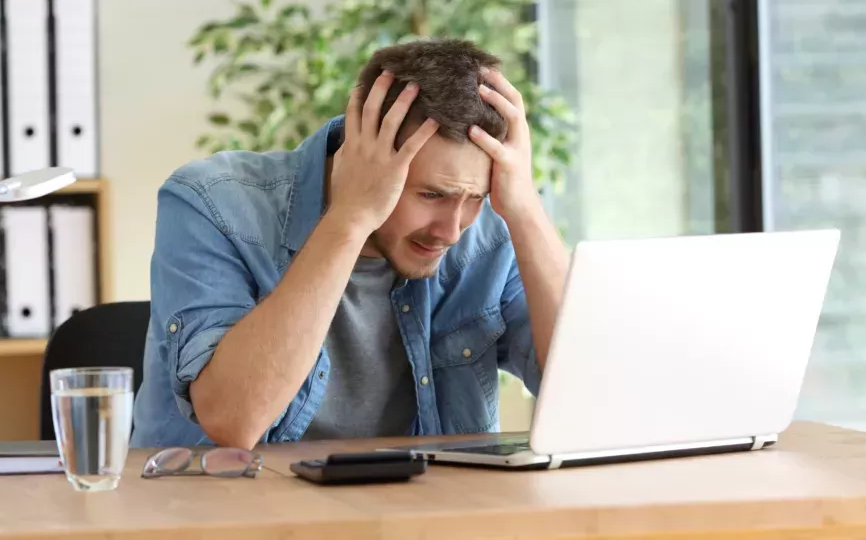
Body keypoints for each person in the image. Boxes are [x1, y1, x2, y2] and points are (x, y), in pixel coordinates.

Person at [130, 38, 569, 450]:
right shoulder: (212, 203)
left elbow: (586, 398)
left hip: (421, 503)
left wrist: (525, 209)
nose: (452, 231)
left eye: (474, 198)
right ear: (361, 154)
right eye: (431, 195)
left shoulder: (488, 233)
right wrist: (351, 217)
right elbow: (233, 420)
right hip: (234, 503)